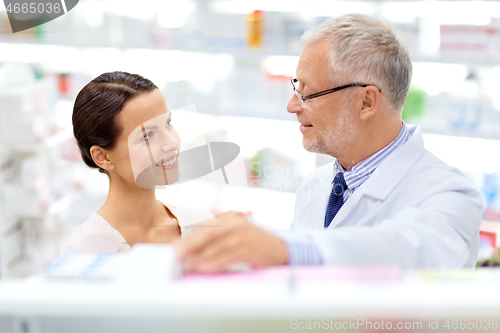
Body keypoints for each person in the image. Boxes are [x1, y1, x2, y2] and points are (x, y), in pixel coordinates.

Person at [174, 14, 484, 272]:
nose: (292, 106)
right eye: (296, 87)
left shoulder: (448, 193)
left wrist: (284, 247)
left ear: (366, 102)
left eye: (308, 93)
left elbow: (411, 249)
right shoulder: (317, 184)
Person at [61, 71, 212, 254]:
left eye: (167, 123)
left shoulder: (202, 228)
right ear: (103, 157)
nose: (172, 143)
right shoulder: (82, 252)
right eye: (148, 135)